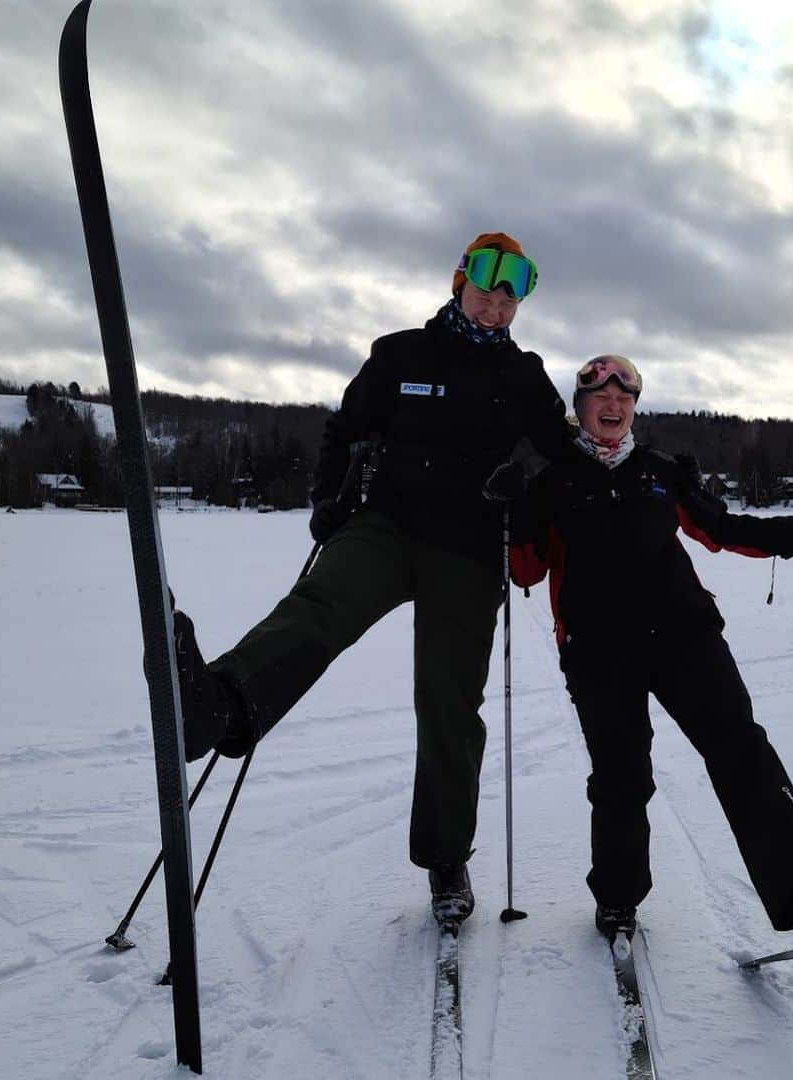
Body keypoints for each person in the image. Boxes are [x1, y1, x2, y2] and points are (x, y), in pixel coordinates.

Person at [172, 232, 569, 922]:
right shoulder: (401, 354)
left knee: (448, 703)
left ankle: (447, 860)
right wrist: (329, 497)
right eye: (485, 291)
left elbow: (556, 452)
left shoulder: (526, 377)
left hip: (469, 549)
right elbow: (345, 431)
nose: (495, 308)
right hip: (387, 524)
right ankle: (222, 705)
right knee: (321, 605)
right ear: (459, 282)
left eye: (510, 299)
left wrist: (525, 477)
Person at [494, 355, 793, 945]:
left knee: (741, 750)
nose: (613, 407)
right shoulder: (553, 481)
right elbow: (524, 569)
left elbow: (725, 531)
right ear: (581, 409)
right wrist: (516, 511)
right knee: (622, 776)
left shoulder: (660, 471)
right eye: (600, 398)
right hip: (600, 652)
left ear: (633, 408)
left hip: (684, 636)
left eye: (624, 399)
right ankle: (619, 897)